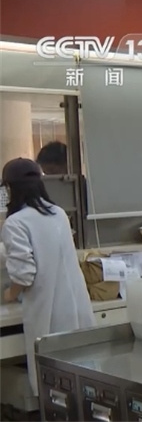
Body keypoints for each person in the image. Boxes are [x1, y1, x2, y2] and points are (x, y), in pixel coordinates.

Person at [1, 158, 95, 397]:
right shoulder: (58, 213)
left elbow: (24, 276)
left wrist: (10, 294)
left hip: (49, 315)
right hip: (75, 308)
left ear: (10, 188)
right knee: (81, 384)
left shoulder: (15, 222)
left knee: (56, 389)